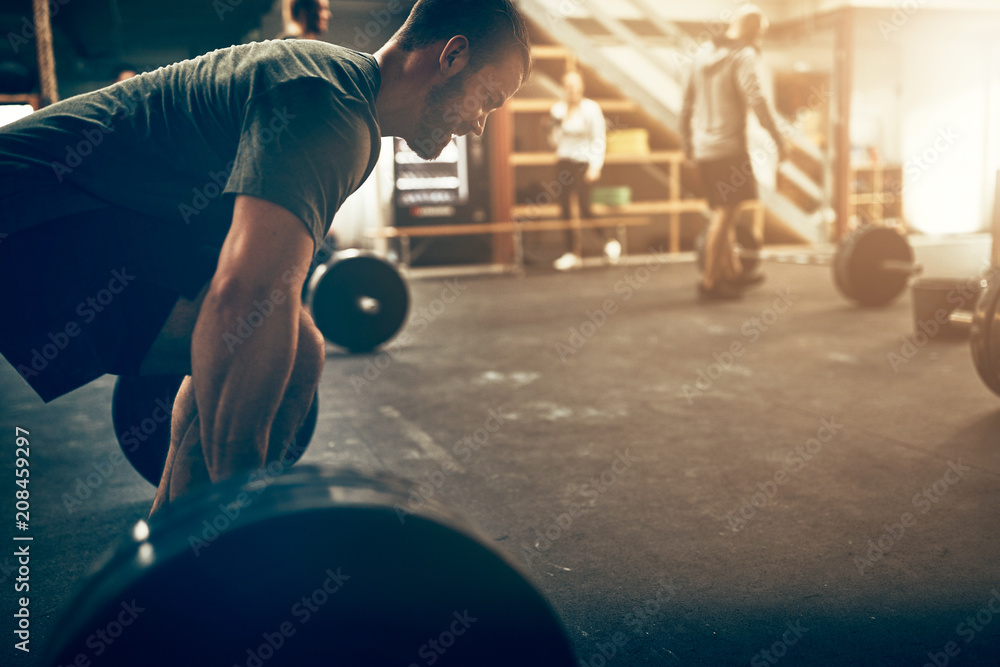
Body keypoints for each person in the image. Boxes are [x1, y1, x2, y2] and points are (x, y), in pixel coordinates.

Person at [0, 0, 531, 515]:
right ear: (452, 56)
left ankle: (175, 546)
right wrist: (242, 515)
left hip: (67, 213)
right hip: (30, 208)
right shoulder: (331, 109)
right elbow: (244, 296)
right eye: (489, 97)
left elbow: (242, 295)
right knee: (281, 341)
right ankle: (216, 547)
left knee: (296, 347)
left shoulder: (343, 100)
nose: (480, 123)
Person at [680, 3, 786, 300]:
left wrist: (688, 145)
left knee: (720, 212)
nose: (761, 39)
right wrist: (778, 138)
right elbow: (758, 100)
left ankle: (733, 272)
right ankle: (709, 282)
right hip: (729, 149)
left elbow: (685, 105)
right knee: (725, 216)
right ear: (753, 29)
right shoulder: (743, 55)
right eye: (761, 32)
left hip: (704, 148)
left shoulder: (700, 54)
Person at [548, 70, 618, 271]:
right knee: (564, 208)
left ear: (581, 87)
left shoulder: (591, 108)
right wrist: (551, 128)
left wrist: (596, 166)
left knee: (586, 208)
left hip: (583, 162)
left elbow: (599, 139)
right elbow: (554, 142)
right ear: (563, 88)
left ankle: (608, 241)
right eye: (567, 86)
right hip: (563, 161)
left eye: (575, 85)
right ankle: (571, 252)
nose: (571, 90)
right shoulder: (557, 110)